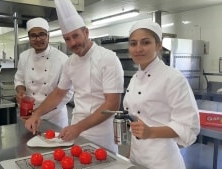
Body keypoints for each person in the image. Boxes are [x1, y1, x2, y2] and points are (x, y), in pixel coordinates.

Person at [24, 0, 124, 153]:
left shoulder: (108, 59)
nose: (72, 43)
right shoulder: (70, 63)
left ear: (86, 32)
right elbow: (58, 93)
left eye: (76, 36)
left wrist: (78, 127)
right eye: (67, 39)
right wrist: (36, 114)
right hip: (76, 132)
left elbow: (112, 105)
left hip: (102, 134)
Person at [123, 20, 200, 169]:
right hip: (136, 158)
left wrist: (151, 131)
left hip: (163, 161)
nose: (138, 48)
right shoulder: (134, 79)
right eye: (133, 44)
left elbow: (189, 126)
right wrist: (130, 154)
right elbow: (136, 121)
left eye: (145, 42)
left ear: (158, 45)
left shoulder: (173, 78)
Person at [14, 17, 73, 128]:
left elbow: (67, 93)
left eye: (42, 34)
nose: (38, 39)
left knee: (55, 144)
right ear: (29, 38)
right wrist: (21, 92)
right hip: (29, 115)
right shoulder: (24, 56)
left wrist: (39, 112)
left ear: (48, 36)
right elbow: (19, 79)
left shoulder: (62, 59)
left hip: (55, 118)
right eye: (33, 35)